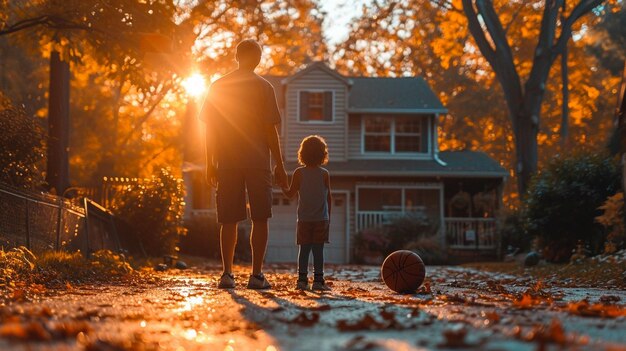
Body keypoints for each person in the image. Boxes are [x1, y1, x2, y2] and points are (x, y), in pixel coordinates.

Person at [200, 39, 288, 290]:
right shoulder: (264, 87)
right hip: (258, 161)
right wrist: (280, 165)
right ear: (258, 59)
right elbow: (270, 131)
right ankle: (256, 275)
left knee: (228, 219)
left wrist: (209, 162)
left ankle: (227, 274)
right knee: (260, 217)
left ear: (237, 56)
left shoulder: (218, 86)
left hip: (227, 161)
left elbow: (211, 130)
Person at [282, 135, 332, 291]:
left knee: (303, 250)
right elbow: (328, 197)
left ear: (302, 153)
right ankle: (318, 281)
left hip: (303, 219)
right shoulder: (324, 173)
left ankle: (302, 281)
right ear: (322, 154)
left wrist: (281, 184)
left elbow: (290, 194)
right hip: (321, 219)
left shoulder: (298, 173)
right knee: (318, 251)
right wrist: (328, 217)